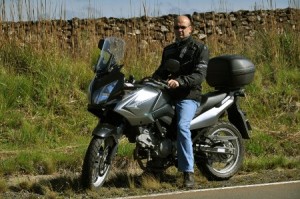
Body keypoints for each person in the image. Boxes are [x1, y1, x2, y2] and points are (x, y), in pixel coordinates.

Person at [152, 15, 209, 188]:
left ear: (191, 28)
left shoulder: (200, 48)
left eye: (183, 27)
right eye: (177, 27)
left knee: (182, 126)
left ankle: (188, 173)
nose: (180, 30)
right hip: (169, 95)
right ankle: (153, 166)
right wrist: (148, 81)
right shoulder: (169, 50)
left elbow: (200, 75)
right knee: (151, 121)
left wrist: (180, 81)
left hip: (189, 95)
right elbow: (161, 71)